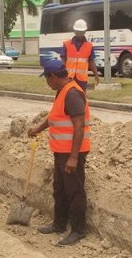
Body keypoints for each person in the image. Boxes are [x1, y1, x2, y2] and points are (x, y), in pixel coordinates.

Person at [27, 59, 91, 246]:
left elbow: (79, 126)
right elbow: (55, 116)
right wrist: (38, 128)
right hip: (60, 152)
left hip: (72, 153)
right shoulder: (62, 92)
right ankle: (59, 224)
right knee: (60, 189)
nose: (47, 83)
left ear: (53, 76)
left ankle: (79, 230)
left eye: (46, 79)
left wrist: (73, 157)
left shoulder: (72, 94)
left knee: (75, 191)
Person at [61, 19, 100, 91]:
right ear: (74, 31)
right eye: (78, 31)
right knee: (68, 96)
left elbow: (91, 62)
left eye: (81, 32)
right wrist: (62, 73)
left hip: (82, 79)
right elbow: (63, 60)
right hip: (68, 77)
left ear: (85, 32)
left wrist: (96, 75)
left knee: (81, 97)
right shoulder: (67, 44)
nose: (79, 33)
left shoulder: (89, 46)